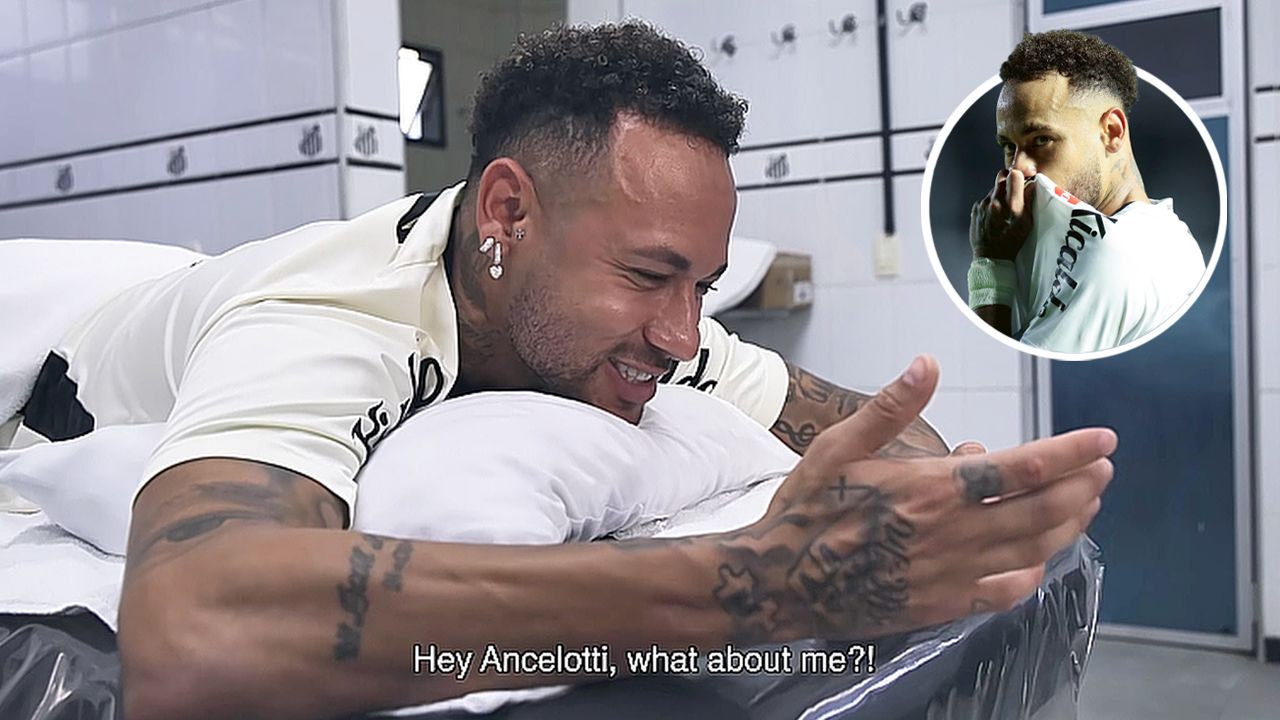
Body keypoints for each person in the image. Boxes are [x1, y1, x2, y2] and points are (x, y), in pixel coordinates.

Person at [5, 23, 1115, 719]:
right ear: (506, 213)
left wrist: (939, 488)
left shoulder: (652, 326)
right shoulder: (329, 320)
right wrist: (757, 587)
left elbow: (829, 416)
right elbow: (195, 637)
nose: (680, 333)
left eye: (702, 284)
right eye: (649, 275)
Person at [968, 30, 1206, 353]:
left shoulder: (1106, 255)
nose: (1019, 168)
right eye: (1009, 146)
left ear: (1111, 131)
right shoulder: (1176, 237)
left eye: (1042, 140)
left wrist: (990, 263)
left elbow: (1002, 371)